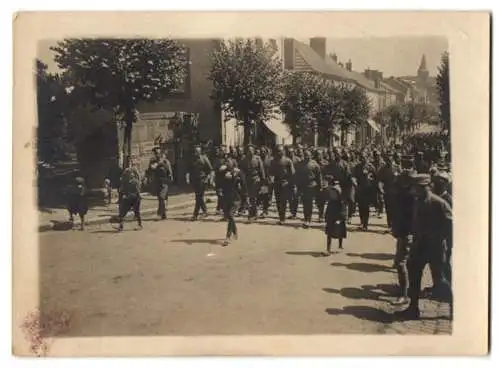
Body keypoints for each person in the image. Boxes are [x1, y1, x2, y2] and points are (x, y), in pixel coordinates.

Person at [394, 174, 453, 320]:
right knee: (414, 277)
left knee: (441, 281)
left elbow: (450, 226)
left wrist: (444, 244)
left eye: (416, 188)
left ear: (426, 187)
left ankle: (454, 309)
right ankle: (413, 309)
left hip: (435, 248)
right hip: (419, 246)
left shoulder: (439, 203)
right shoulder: (417, 201)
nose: (414, 191)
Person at [390, 158, 416, 305]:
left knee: (402, 263)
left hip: (408, 231)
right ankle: (405, 289)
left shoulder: (411, 197)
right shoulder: (405, 193)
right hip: (403, 230)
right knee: (402, 262)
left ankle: (404, 294)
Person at [269, 145, 295, 225]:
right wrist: (271, 179)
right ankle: (281, 217)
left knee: (283, 201)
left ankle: (283, 218)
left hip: (285, 183)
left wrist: (289, 182)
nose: (279, 152)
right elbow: (271, 172)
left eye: (280, 151)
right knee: (278, 201)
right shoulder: (273, 161)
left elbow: (292, 173)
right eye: (277, 151)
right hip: (277, 183)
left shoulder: (288, 161)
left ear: (283, 151)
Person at [186, 145, 214, 221]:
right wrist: (188, 178)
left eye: (198, 151)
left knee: (198, 197)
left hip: (202, 180)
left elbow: (210, 170)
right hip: (194, 180)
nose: (196, 153)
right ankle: (203, 212)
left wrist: (209, 179)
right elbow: (189, 169)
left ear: (200, 152)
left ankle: (196, 214)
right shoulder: (192, 159)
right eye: (195, 151)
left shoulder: (204, 158)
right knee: (199, 197)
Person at [221, 166, 247, 246]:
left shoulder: (238, 174)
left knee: (230, 215)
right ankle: (235, 231)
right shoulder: (223, 172)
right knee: (228, 216)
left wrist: (237, 175)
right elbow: (219, 182)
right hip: (226, 198)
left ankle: (228, 237)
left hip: (236, 198)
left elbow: (243, 184)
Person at [297, 149, 322, 228]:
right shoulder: (300, 164)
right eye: (305, 155)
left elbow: (319, 176)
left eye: (308, 155)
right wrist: (298, 187)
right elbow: (298, 176)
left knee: (310, 203)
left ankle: (310, 218)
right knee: (305, 203)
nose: (307, 157)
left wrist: (320, 186)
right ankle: (306, 218)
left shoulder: (315, 164)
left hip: (312, 185)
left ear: (311, 156)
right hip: (303, 186)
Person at [240, 144, 266, 221]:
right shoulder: (244, 159)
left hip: (256, 179)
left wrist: (263, 181)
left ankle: (252, 214)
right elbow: (241, 170)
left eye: (251, 150)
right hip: (248, 180)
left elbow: (261, 170)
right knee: (251, 197)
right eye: (248, 150)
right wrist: (242, 178)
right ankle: (254, 213)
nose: (250, 152)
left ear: (254, 151)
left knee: (253, 197)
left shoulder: (258, 158)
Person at [322, 178, 347, 256]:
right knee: (329, 231)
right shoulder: (329, 194)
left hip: (339, 214)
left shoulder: (341, 199)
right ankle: (328, 249)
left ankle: (340, 246)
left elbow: (343, 208)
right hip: (331, 213)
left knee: (340, 230)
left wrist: (341, 217)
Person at [117, 156, 143, 231]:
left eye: (129, 162)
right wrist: (122, 192)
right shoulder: (125, 172)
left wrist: (138, 191)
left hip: (135, 196)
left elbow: (139, 180)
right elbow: (122, 183)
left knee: (136, 211)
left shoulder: (134, 172)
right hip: (128, 196)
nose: (128, 163)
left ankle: (140, 224)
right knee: (123, 211)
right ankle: (121, 226)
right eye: (127, 162)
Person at [147, 147, 173, 220]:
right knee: (160, 198)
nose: (157, 155)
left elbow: (169, 170)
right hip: (157, 181)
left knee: (162, 197)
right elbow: (150, 169)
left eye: (158, 153)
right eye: (155, 153)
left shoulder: (165, 161)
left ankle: (160, 212)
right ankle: (164, 214)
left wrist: (162, 163)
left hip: (165, 182)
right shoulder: (153, 161)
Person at [352, 155, 376, 231]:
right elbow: (353, 176)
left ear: (368, 159)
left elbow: (375, 177)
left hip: (368, 190)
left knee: (366, 207)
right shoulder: (357, 167)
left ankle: (365, 224)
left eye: (365, 158)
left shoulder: (371, 167)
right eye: (362, 158)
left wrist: (371, 180)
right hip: (360, 189)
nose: (364, 159)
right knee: (360, 207)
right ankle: (362, 222)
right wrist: (354, 182)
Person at [258, 146, 274, 218]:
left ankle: (265, 210)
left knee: (266, 195)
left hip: (269, 179)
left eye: (264, 151)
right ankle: (264, 209)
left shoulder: (271, 159)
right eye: (261, 151)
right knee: (263, 195)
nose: (262, 152)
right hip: (261, 179)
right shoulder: (258, 159)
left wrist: (272, 178)